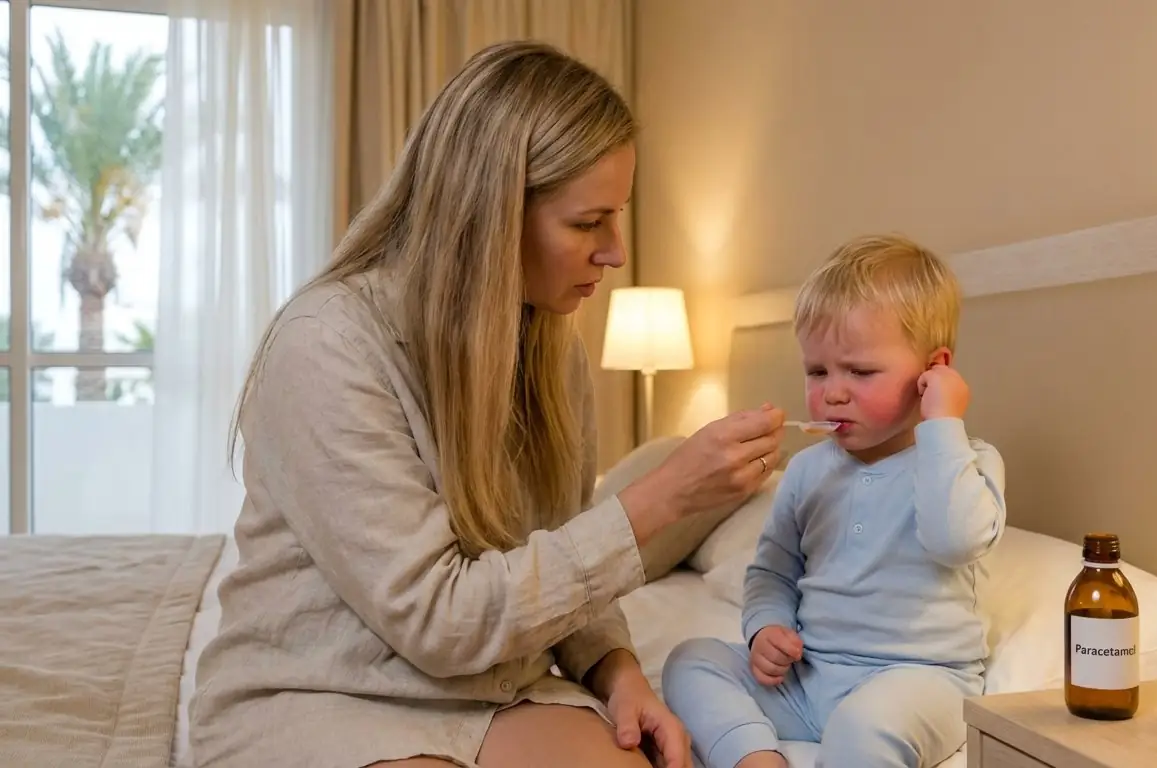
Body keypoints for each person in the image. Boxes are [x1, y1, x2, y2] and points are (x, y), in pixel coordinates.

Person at [188, 41, 784, 768]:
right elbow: (439, 619)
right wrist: (662, 498)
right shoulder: (328, 346)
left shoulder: (549, 349)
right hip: (326, 688)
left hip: (488, 684)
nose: (616, 252)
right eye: (588, 222)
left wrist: (617, 670)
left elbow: (556, 559)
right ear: (493, 213)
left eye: (617, 216)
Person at [661, 234, 1008, 768]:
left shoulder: (966, 459)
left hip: (917, 681)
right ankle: (754, 759)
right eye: (817, 371)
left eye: (860, 372)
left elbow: (954, 538)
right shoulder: (805, 470)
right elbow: (772, 572)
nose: (832, 392)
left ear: (932, 373)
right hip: (807, 681)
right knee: (690, 660)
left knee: (864, 727)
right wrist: (765, 628)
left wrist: (943, 422)